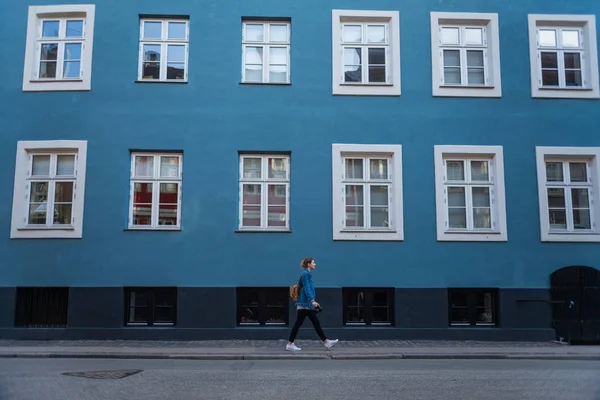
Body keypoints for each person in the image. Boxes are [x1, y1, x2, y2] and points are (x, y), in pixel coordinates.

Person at [286, 257, 338, 351]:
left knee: (315, 322)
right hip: (304, 304)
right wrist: (312, 300)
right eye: (313, 262)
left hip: (307, 305)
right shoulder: (305, 274)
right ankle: (290, 344)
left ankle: (326, 342)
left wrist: (312, 301)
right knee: (298, 324)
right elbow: (307, 288)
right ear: (308, 264)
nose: (315, 264)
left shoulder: (307, 274)